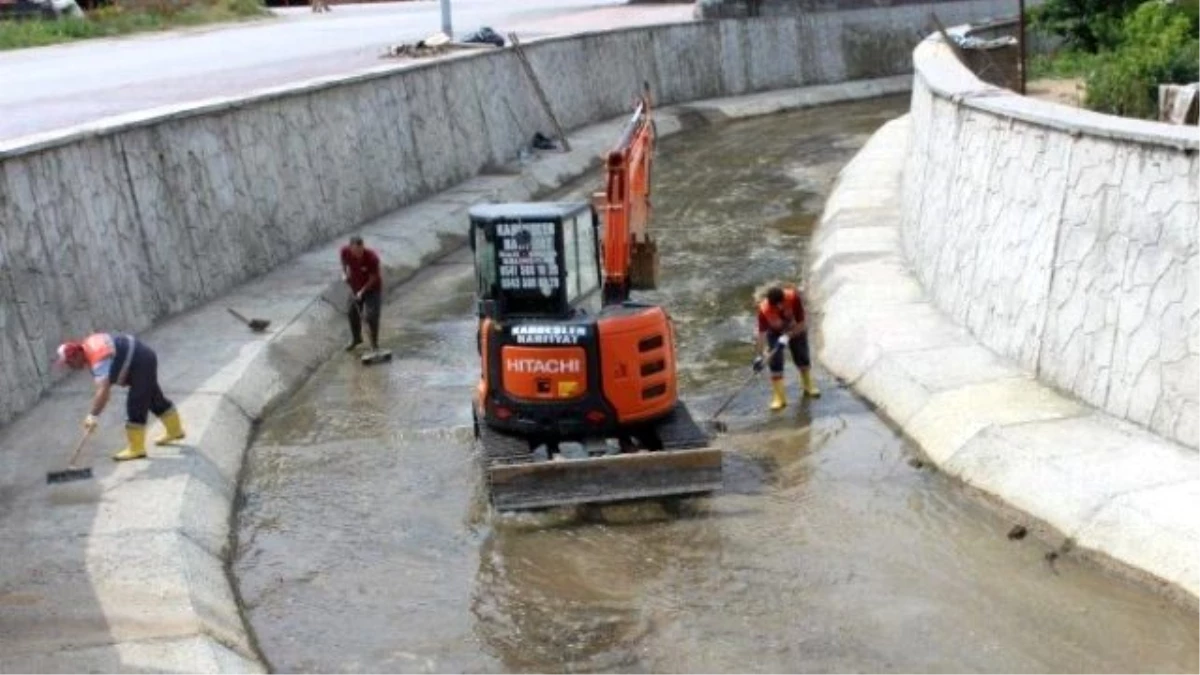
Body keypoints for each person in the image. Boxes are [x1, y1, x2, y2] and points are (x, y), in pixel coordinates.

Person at [55, 333, 185, 461]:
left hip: (140, 363)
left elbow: (103, 389)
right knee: (154, 398)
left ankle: (136, 449)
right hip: (143, 357)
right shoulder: (89, 345)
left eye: (69, 363)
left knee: (136, 404)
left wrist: (93, 415)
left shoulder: (98, 359)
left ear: (76, 355)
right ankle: (175, 431)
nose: (70, 367)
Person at [752, 284, 820, 410]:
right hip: (775, 332)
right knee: (775, 360)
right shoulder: (764, 310)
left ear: (784, 299)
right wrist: (759, 356)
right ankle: (780, 397)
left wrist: (788, 336)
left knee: (801, 354)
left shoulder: (793, 297)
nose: (779, 307)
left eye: (781, 303)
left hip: (795, 328)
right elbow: (761, 335)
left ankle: (808, 385)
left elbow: (803, 324)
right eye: (775, 305)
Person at [340, 235, 382, 355]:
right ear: (350, 248)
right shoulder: (345, 251)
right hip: (355, 286)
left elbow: (374, 278)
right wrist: (344, 273)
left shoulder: (372, 258)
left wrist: (362, 292)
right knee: (352, 312)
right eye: (356, 252)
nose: (359, 254)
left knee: (371, 316)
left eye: (360, 251)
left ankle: (374, 344)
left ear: (363, 246)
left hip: (372, 288)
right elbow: (343, 261)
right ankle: (356, 339)